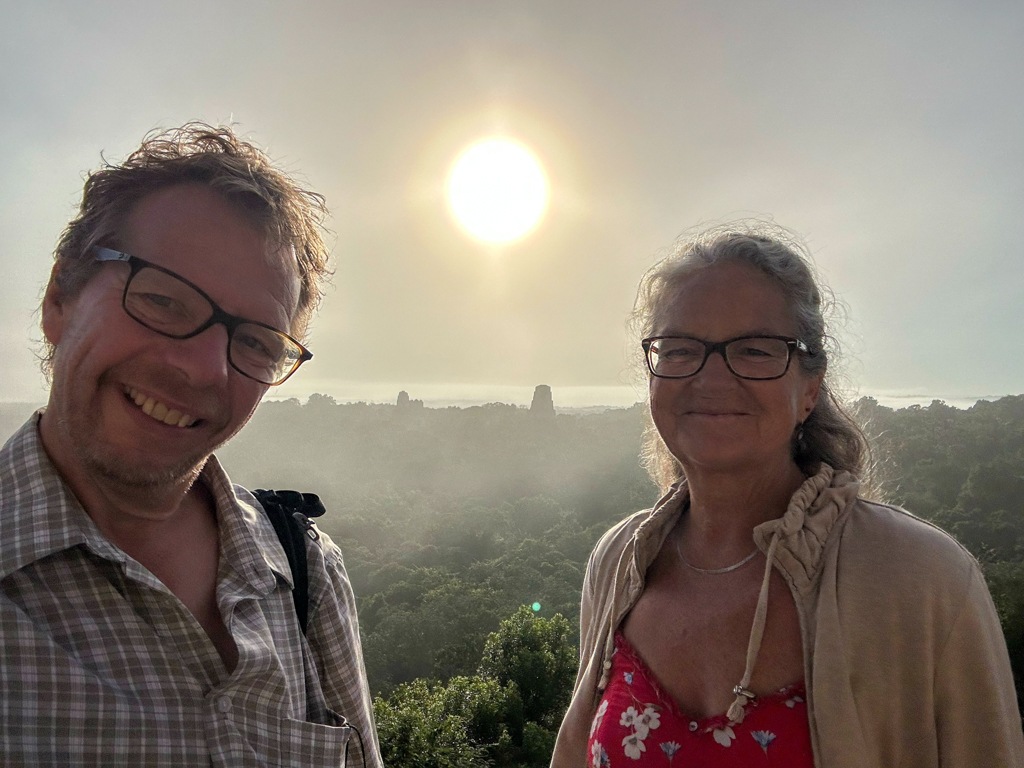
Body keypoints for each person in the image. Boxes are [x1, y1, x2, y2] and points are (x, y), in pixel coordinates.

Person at [551, 224, 1024, 767]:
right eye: (680, 349)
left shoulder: (923, 578)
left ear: (810, 390)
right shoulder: (620, 564)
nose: (712, 377)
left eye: (754, 350)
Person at [0, 124, 382, 767]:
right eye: (163, 301)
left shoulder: (303, 571)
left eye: (257, 341)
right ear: (59, 300)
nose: (206, 368)